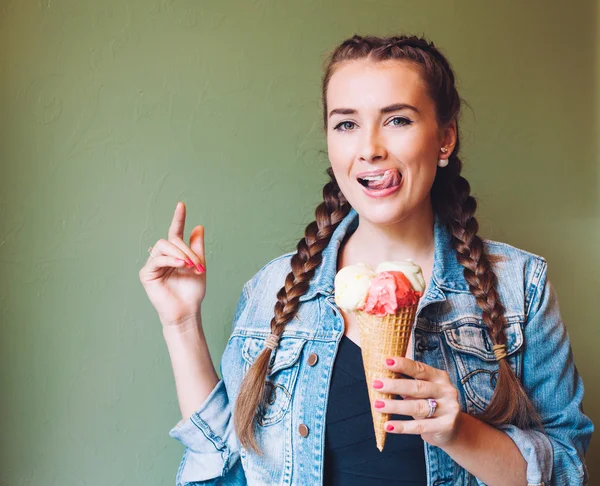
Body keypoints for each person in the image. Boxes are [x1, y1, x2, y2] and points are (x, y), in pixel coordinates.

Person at [139, 34, 593, 486]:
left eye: (397, 120)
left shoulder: (520, 286)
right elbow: (229, 463)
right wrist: (180, 324)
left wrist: (459, 432)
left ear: (445, 138)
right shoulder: (272, 287)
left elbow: (567, 471)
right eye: (346, 124)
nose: (369, 147)